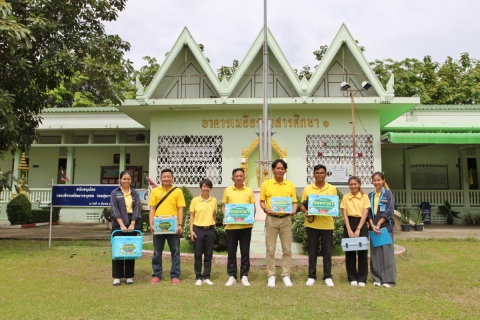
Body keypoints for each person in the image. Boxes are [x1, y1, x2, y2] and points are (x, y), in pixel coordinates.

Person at [260, 159, 297, 287]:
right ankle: (271, 276)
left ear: (285, 170)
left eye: (282, 168)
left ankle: (286, 275)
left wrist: (294, 209)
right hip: (271, 219)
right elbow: (262, 201)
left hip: (286, 219)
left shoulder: (290, 185)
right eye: (278, 168)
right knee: (270, 249)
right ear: (273, 170)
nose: (280, 170)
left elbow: (294, 202)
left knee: (287, 249)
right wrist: (265, 209)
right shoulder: (266, 184)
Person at [300, 164, 337, 287]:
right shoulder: (307, 189)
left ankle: (327, 276)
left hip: (327, 224)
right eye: (317, 173)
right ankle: (311, 276)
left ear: (325, 174)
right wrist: (305, 212)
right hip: (312, 224)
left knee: (327, 251)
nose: (319, 175)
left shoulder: (331, 189)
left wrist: (335, 213)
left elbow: (333, 205)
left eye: (322, 173)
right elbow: (302, 205)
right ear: (313, 174)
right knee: (312, 251)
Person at [148, 168, 186, 285]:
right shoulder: (155, 191)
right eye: (164, 177)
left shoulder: (177, 191)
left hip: (173, 227)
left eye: (168, 176)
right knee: (157, 252)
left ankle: (175, 275)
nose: (166, 179)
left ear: (172, 178)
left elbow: (180, 209)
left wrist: (180, 224)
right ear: (160, 178)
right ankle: (156, 274)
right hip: (158, 227)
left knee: (175, 251)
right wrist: (151, 224)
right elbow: (152, 209)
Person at [222, 168, 256, 287]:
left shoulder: (249, 191)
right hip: (231, 227)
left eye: (241, 176)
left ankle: (244, 276)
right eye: (237, 176)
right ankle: (232, 276)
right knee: (231, 252)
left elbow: (253, 207)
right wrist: (226, 217)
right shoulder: (227, 191)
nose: (239, 178)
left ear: (244, 178)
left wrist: (251, 216)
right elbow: (224, 207)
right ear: (233, 178)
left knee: (245, 252)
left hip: (245, 227)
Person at [110, 170, 142, 286]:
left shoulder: (135, 193)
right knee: (118, 249)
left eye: (128, 179)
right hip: (118, 223)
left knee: (130, 249)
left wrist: (132, 223)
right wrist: (122, 224)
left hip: (132, 223)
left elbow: (137, 208)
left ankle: (129, 276)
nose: (126, 181)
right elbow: (114, 209)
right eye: (124, 179)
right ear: (120, 180)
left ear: (131, 180)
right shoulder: (115, 193)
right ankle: (117, 276)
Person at [340, 176, 370, 287]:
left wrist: (358, 229)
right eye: (351, 184)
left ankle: (362, 278)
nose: (353, 186)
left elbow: (365, 213)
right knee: (350, 252)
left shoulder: (364, 197)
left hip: (361, 224)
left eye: (355, 184)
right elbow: (344, 214)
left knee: (362, 252)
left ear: (359, 184)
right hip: (349, 223)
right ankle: (352, 277)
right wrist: (348, 229)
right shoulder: (346, 197)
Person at [368, 172, 396, 288]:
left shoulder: (388, 194)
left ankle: (388, 280)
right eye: (374, 180)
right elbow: (368, 212)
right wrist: (372, 225)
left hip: (384, 228)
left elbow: (389, 212)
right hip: (373, 228)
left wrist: (378, 224)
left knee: (387, 254)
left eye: (379, 180)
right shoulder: (370, 195)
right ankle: (377, 278)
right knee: (375, 254)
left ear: (383, 180)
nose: (377, 182)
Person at [189, 179, 217, 286]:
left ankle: (207, 276)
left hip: (209, 229)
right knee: (198, 255)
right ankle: (198, 277)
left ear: (211, 188)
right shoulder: (195, 200)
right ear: (200, 187)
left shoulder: (213, 200)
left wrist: (214, 226)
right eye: (204, 186)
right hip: (198, 230)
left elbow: (214, 214)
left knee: (208, 255)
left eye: (208, 187)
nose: (206, 188)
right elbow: (192, 216)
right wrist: (191, 230)